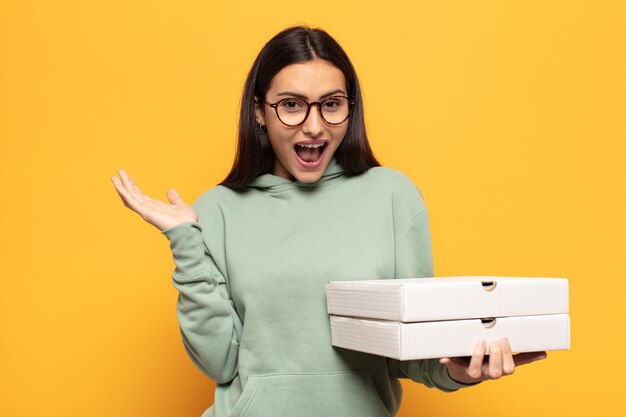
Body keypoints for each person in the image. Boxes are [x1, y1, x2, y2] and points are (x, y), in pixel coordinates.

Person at [111, 25, 547, 417]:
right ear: (260, 111)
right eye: (292, 105)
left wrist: (461, 372)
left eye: (331, 105)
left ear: (349, 108)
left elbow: (412, 351)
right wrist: (184, 239)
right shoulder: (219, 209)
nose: (315, 126)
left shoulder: (392, 196)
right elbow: (218, 361)